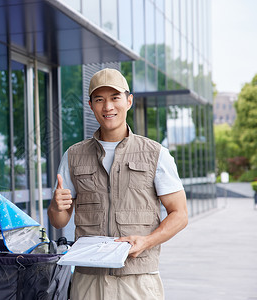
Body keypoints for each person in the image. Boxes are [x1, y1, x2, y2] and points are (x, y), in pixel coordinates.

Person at [48, 68, 188, 299]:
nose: (108, 107)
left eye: (115, 98)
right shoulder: (73, 155)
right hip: (88, 280)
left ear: (129, 101)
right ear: (91, 105)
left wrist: (146, 241)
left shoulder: (155, 154)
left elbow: (180, 214)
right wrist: (56, 207)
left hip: (138, 279)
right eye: (99, 100)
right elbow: (59, 220)